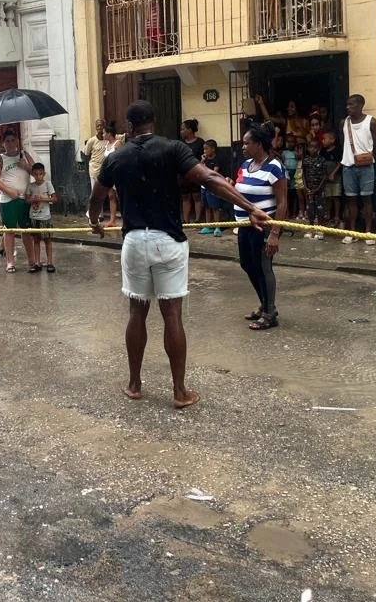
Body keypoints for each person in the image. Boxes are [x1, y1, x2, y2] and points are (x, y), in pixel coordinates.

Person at [88, 100, 270, 409]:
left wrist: (94, 222)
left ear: (130, 127)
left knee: (136, 313)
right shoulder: (173, 149)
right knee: (171, 314)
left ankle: (134, 384)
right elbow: (210, 179)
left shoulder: (117, 156)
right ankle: (179, 391)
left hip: (134, 241)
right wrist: (250, 207)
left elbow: (96, 197)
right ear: (153, 121)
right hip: (168, 241)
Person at [235, 122, 287, 331]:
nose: (243, 146)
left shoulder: (274, 166)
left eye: (247, 143)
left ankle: (269, 313)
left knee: (263, 267)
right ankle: (265, 304)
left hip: (264, 227)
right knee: (247, 264)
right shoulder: (245, 165)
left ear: (259, 144)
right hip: (243, 225)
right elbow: (239, 190)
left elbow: (282, 202)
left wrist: (275, 233)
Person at [0, 130, 34, 273]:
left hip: (25, 199)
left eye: (12, 140)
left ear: (17, 141)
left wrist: (26, 167)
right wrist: (9, 191)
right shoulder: (0, 159)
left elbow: (37, 172)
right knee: (9, 231)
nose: (10, 143)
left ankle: (31, 260)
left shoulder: (24, 155)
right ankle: (10, 262)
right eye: (7, 141)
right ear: (3, 144)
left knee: (26, 230)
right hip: (8, 200)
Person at [341, 94, 376, 246]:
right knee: (351, 200)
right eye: (347, 104)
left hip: (366, 167)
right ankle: (352, 232)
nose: (348, 107)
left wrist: (367, 156)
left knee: (367, 200)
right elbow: (341, 140)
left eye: (351, 104)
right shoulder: (344, 122)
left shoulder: (371, 122)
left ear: (360, 105)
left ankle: (368, 232)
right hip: (348, 166)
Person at [25, 162, 57, 273]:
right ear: (33, 174)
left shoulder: (48, 184)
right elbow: (27, 200)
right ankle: (37, 263)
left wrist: (43, 199)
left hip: (45, 217)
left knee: (47, 240)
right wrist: (34, 200)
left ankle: (50, 263)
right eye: (36, 174)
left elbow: (54, 199)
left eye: (40, 174)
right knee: (36, 240)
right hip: (34, 217)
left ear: (44, 174)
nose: (38, 176)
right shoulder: (31, 186)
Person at [198, 139, 226, 237]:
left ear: (213, 149)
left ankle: (217, 226)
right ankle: (208, 225)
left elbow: (214, 173)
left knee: (215, 207)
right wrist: (202, 160)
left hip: (212, 186)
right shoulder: (204, 160)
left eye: (206, 149)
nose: (204, 151)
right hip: (203, 186)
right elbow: (199, 169)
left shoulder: (217, 160)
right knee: (206, 206)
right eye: (203, 149)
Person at [179, 119, 204, 224]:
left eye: (183, 129)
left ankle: (197, 220)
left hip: (196, 173)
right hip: (183, 174)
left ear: (189, 130)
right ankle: (186, 221)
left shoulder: (200, 142)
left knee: (196, 196)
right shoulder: (180, 144)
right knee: (185, 197)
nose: (181, 131)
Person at [301, 140, 327, 240]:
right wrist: (306, 187)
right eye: (311, 147)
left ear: (318, 149)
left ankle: (320, 230)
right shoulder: (305, 160)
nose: (313, 149)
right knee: (310, 210)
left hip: (319, 190)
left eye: (315, 147)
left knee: (320, 210)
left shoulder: (322, 160)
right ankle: (311, 229)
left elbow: (325, 176)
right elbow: (303, 175)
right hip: (309, 190)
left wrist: (317, 189)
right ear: (308, 148)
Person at [103, 121, 125, 227]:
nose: (103, 135)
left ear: (109, 133)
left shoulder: (118, 144)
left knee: (120, 196)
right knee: (111, 195)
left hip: (118, 172)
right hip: (109, 173)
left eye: (104, 133)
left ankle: (126, 218)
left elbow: (123, 158)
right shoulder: (107, 144)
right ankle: (112, 220)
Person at [81, 119, 109, 201]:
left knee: (106, 193)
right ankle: (96, 213)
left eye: (102, 125)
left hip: (105, 170)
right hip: (95, 170)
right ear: (96, 128)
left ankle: (97, 213)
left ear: (105, 127)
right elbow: (86, 154)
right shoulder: (91, 141)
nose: (100, 127)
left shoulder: (108, 138)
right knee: (95, 193)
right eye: (98, 126)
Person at [320, 130, 342, 227]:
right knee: (328, 197)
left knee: (336, 196)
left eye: (325, 139)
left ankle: (336, 216)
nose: (323, 141)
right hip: (326, 179)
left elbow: (339, 163)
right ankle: (328, 215)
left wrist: (333, 173)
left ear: (332, 140)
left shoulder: (337, 151)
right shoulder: (322, 151)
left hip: (336, 178)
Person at [281, 133, 299, 219]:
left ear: (295, 143)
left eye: (292, 142)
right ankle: (287, 213)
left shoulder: (297, 152)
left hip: (296, 176)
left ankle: (294, 213)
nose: (290, 143)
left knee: (295, 195)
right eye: (288, 142)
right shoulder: (284, 153)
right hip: (287, 176)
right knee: (287, 196)